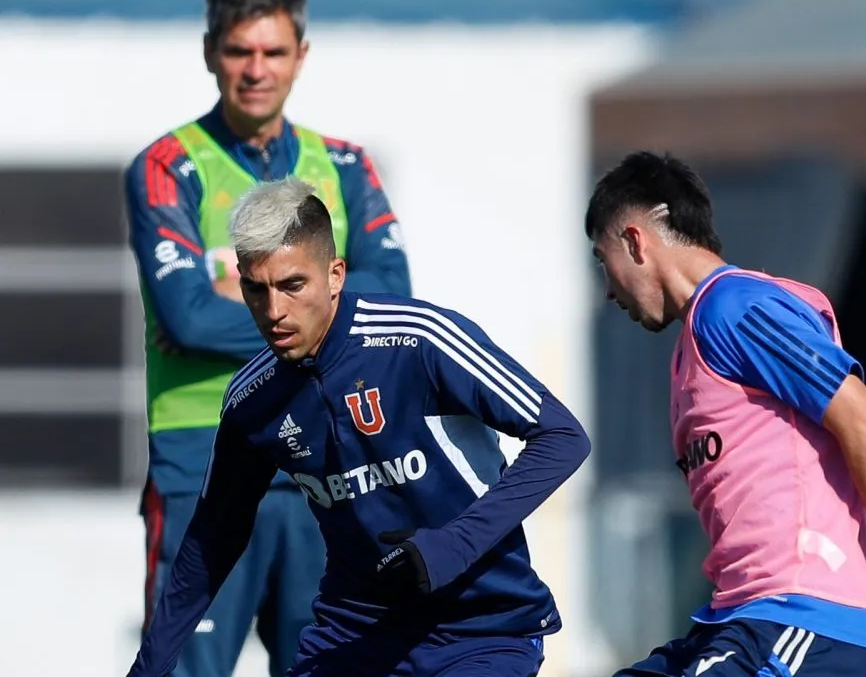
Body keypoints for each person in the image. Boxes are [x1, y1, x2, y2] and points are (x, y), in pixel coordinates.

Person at [125, 177, 591, 677]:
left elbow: (563, 437)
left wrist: (453, 543)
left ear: (336, 275)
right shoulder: (251, 399)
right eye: (256, 289)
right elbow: (212, 537)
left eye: (293, 285)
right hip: (354, 637)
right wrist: (147, 668)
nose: (274, 310)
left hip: (481, 631)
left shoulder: (421, 342)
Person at [585, 151, 866, 676]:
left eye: (602, 260)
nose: (607, 288)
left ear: (633, 240)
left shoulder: (732, 308)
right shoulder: (692, 345)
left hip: (801, 618)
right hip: (739, 618)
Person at [123, 0, 412, 676]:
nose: (256, 70)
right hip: (200, 467)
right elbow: (185, 316)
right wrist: (322, 306)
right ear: (210, 52)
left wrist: (232, 292)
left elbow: (395, 297)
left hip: (329, 473)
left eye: (274, 52)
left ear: (300, 56)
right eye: (238, 51)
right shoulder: (167, 166)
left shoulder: (343, 165)